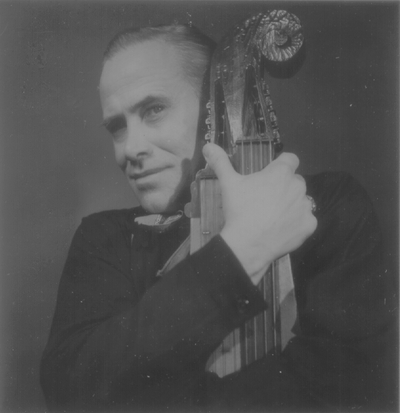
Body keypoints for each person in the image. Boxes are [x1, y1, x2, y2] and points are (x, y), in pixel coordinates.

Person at [40, 24, 396, 412]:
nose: (131, 149)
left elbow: (351, 382)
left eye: (153, 110)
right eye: (117, 127)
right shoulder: (103, 237)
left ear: (218, 105)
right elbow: (71, 391)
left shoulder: (329, 205)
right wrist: (243, 251)